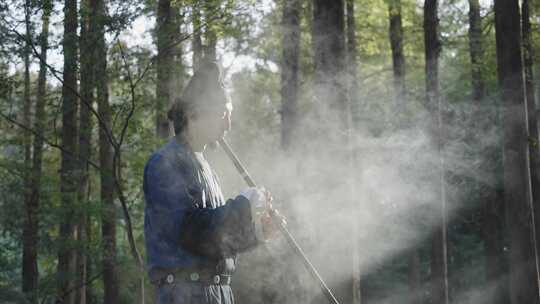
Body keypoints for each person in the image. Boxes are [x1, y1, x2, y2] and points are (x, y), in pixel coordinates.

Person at [143, 61, 277, 304]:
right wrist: (243, 205)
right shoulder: (165, 162)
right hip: (185, 295)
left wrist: (257, 233)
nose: (228, 125)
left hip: (216, 295)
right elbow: (190, 232)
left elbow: (215, 242)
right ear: (196, 113)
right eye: (223, 115)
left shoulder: (206, 168)